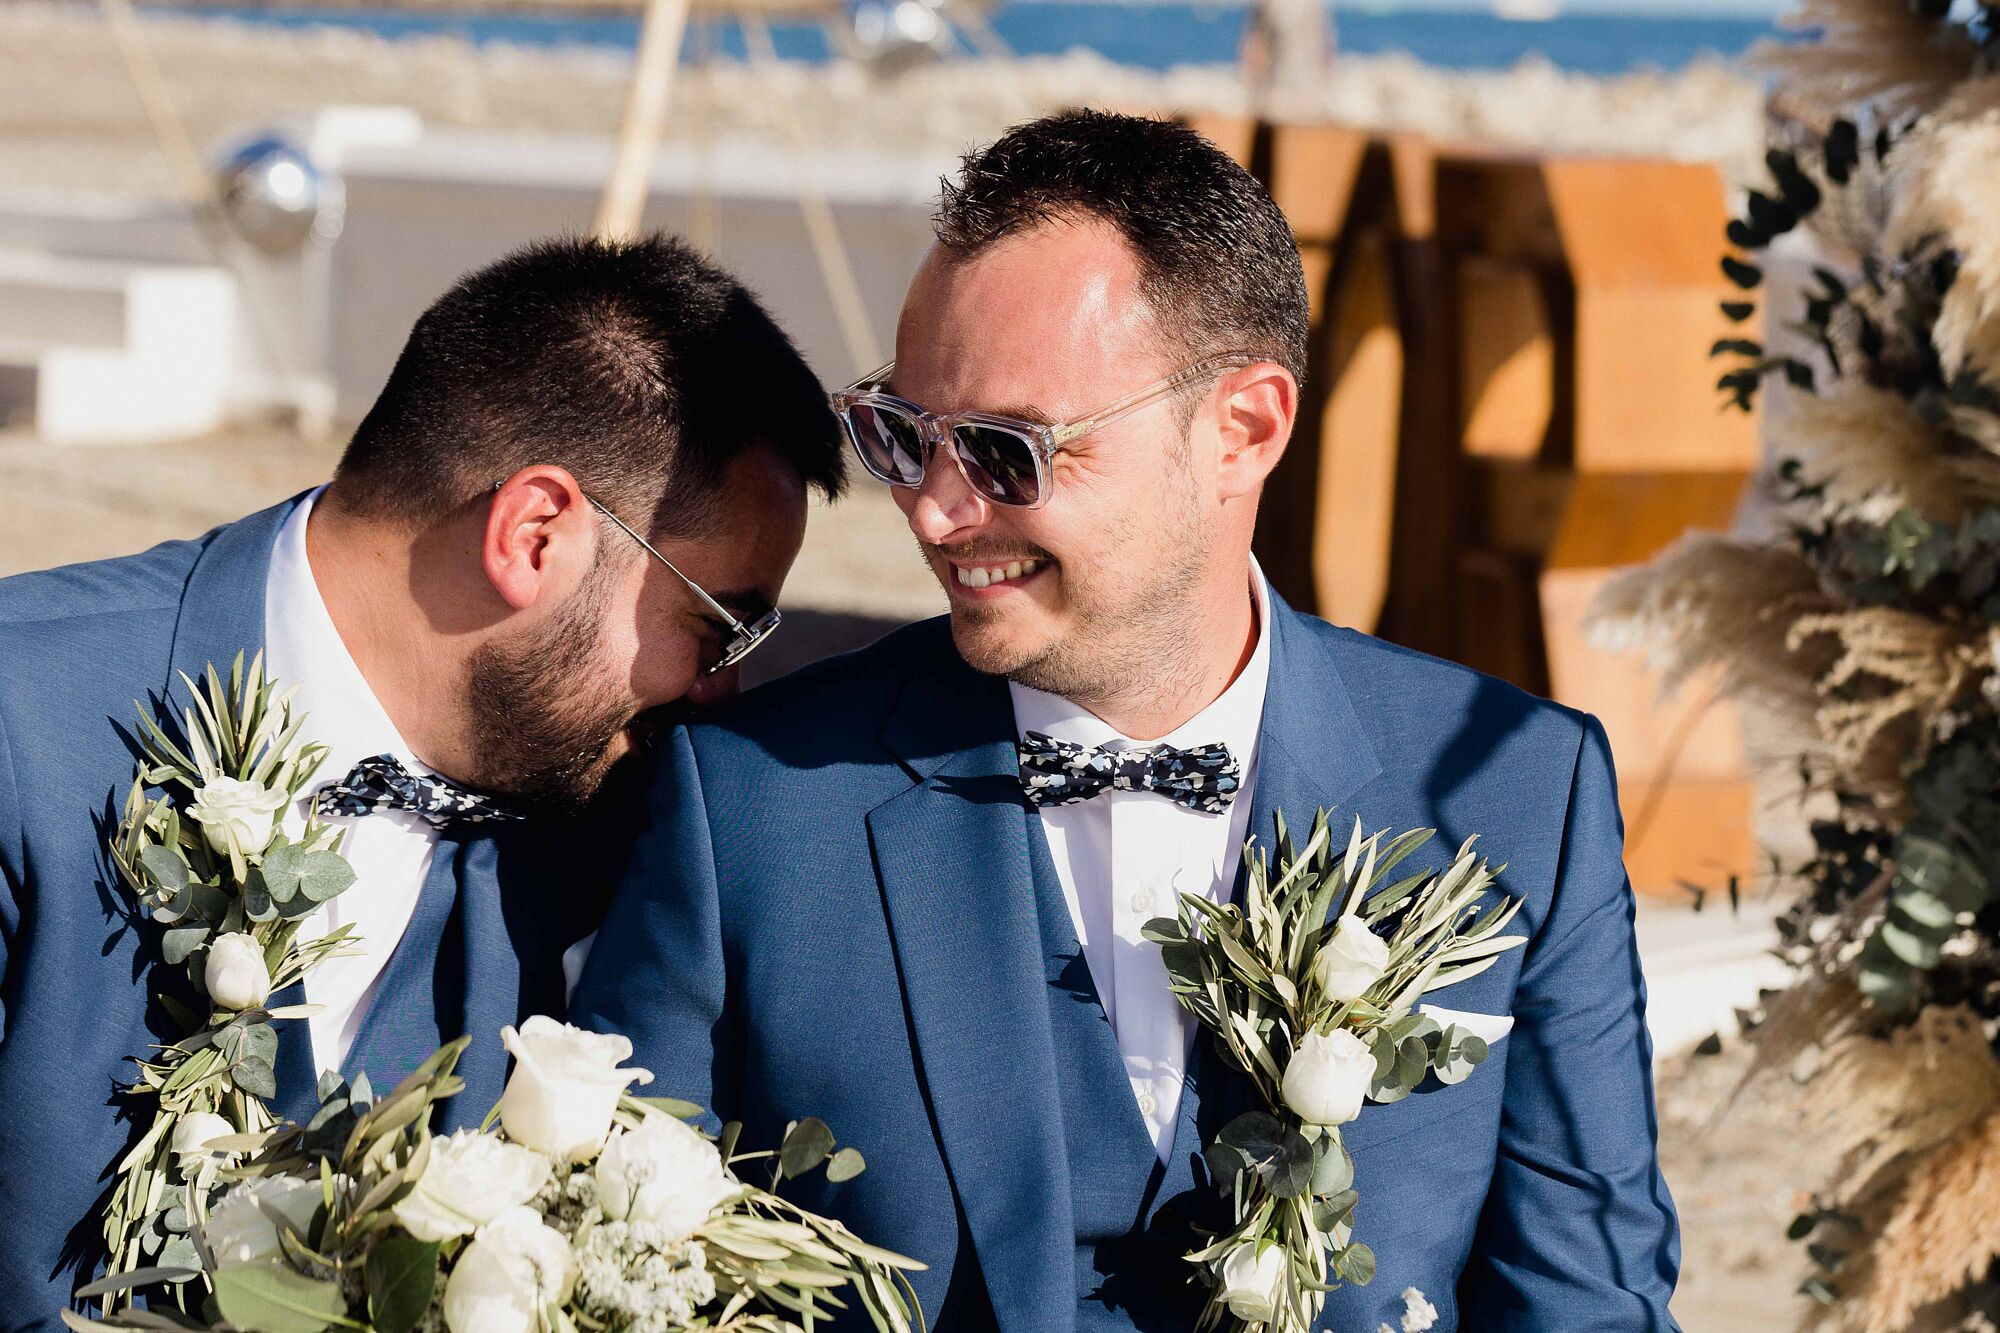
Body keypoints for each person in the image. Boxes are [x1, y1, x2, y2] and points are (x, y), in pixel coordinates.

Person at [573, 112, 1680, 1330]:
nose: (935, 514)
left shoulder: (1514, 792)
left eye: (1004, 451)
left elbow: (1584, 1303)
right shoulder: (745, 805)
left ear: (1240, 430)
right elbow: (622, 1283)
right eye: (903, 435)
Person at [0, 233, 842, 1327]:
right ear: (534, 534)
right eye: (717, 625)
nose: (717, 691)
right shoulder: (26, 728)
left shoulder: (624, 820)